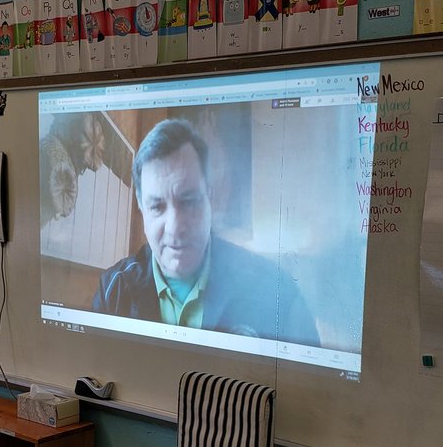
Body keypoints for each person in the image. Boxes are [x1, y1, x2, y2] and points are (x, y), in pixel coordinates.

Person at [92, 119, 320, 347]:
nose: (174, 227)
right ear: (141, 208)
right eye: (157, 206)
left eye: (189, 201)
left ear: (209, 198)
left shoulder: (278, 295)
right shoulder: (113, 290)